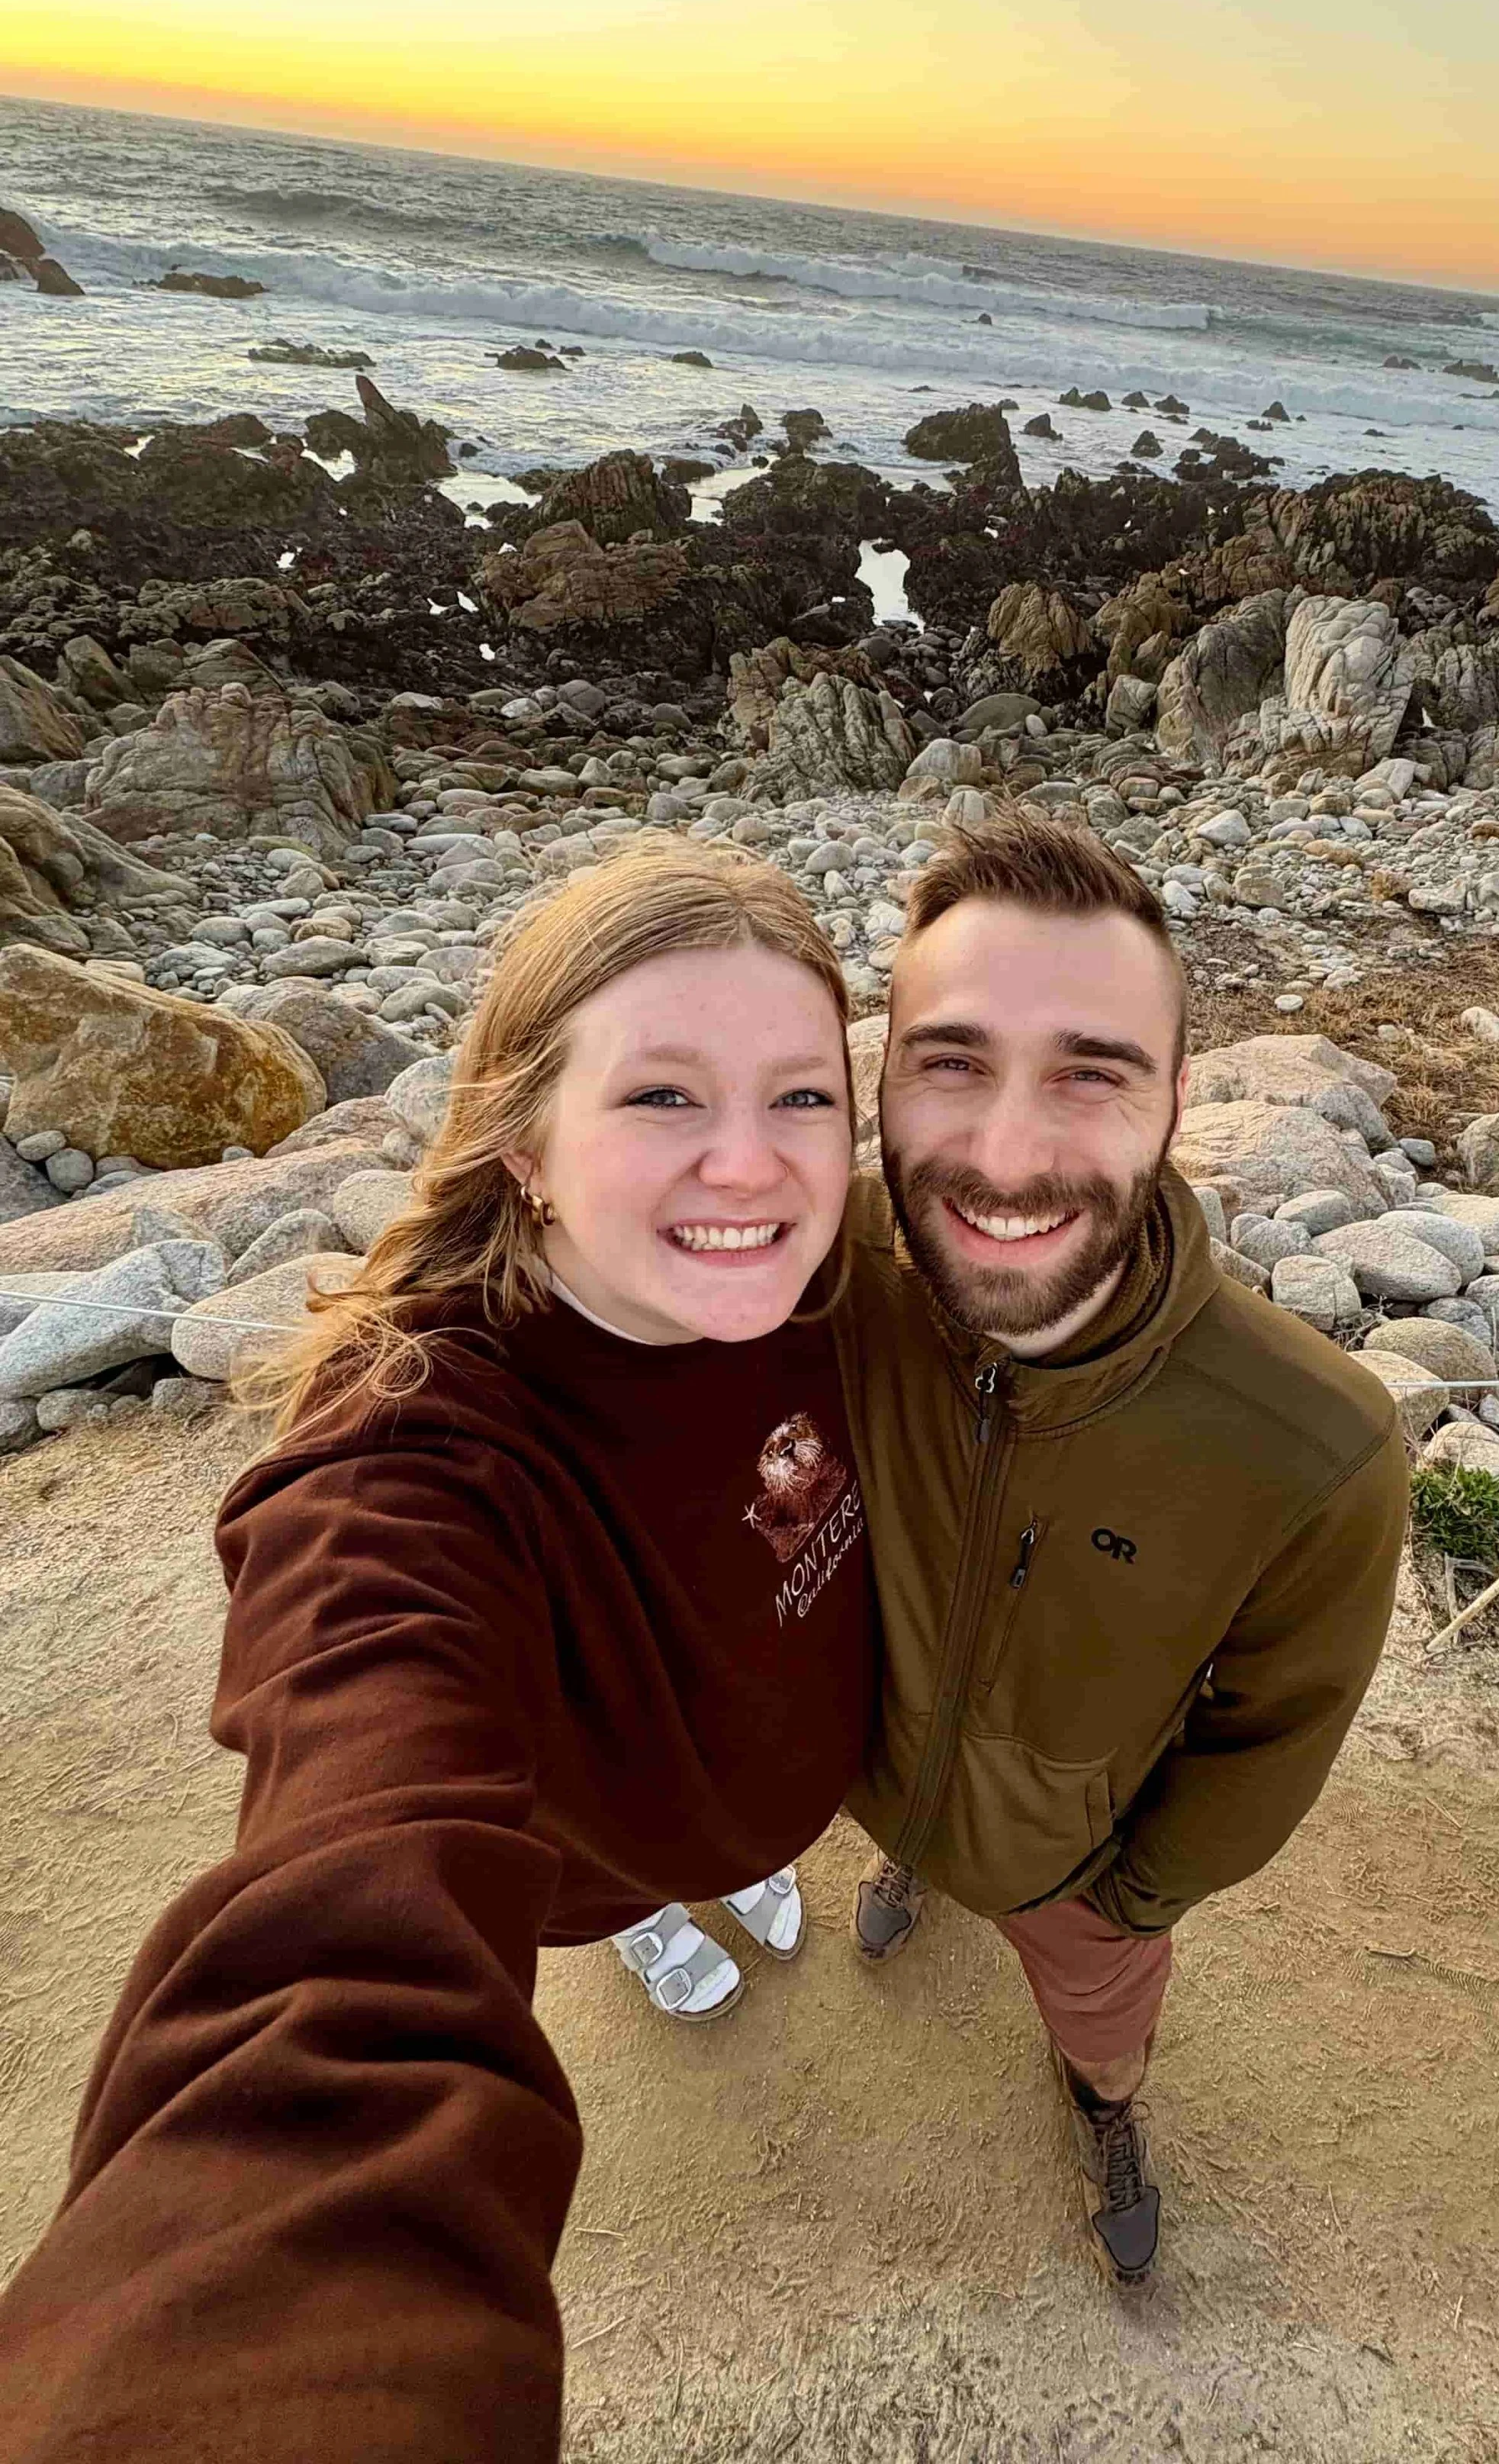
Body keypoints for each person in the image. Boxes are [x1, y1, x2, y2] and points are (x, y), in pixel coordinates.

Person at [0, 839, 873, 2461]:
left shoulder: (831, 1277)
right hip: (589, 1844)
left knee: (737, 1834)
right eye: (662, 1097)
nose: (750, 1166)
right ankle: (644, 1920)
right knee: (627, 1883)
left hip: (765, 1754)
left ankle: (732, 1861)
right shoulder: (406, 1460)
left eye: (803, 1098)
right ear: (523, 1143)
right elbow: (344, 1911)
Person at [832, 807, 1408, 2287]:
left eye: (1090, 1073)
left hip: (1071, 1864)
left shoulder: (1313, 1445)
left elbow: (1269, 1739)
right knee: (910, 1839)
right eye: (948, 1062)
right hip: (864, 1775)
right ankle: (908, 1867)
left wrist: (1129, 1900)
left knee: (1100, 2021)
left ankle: (1102, 2106)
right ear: (876, 1077)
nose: (1009, 1155)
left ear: (1173, 1103)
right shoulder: (811, 1283)